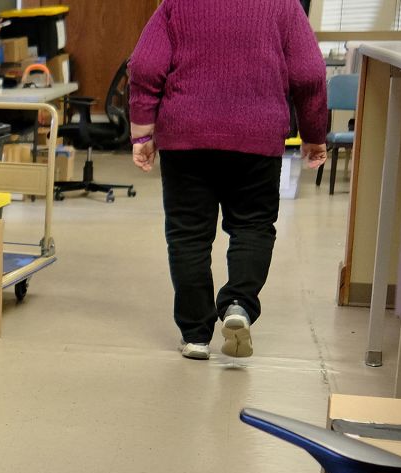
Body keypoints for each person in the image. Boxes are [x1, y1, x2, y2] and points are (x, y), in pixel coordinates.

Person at [128, 0, 328, 360]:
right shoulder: (283, 5)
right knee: (253, 225)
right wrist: (314, 134)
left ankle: (195, 335)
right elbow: (309, 73)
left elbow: (145, 64)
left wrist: (142, 132)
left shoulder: (177, 3)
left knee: (188, 232)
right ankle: (239, 304)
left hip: (186, 133)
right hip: (257, 133)